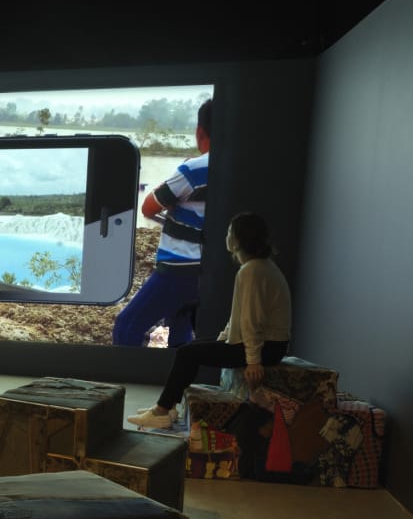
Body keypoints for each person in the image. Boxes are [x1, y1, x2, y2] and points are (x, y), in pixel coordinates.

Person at [127, 212, 291, 430]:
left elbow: (252, 321)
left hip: (267, 347)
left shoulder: (252, 271)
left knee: (187, 354)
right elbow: (240, 316)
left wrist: (253, 361)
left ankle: (162, 411)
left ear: (238, 239)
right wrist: (223, 339)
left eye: (230, 232)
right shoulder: (259, 267)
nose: (227, 236)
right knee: (191, 348)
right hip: (270, 344)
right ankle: (169, 406)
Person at [113, 99, 212, 348]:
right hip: (207, 270)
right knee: (180, 331)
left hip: (179, 268)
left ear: (200, 131)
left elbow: (148, 207)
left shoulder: (194, 169)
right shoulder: (237, 168)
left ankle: (128, 372)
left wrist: (177, 176)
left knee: (127, 325)